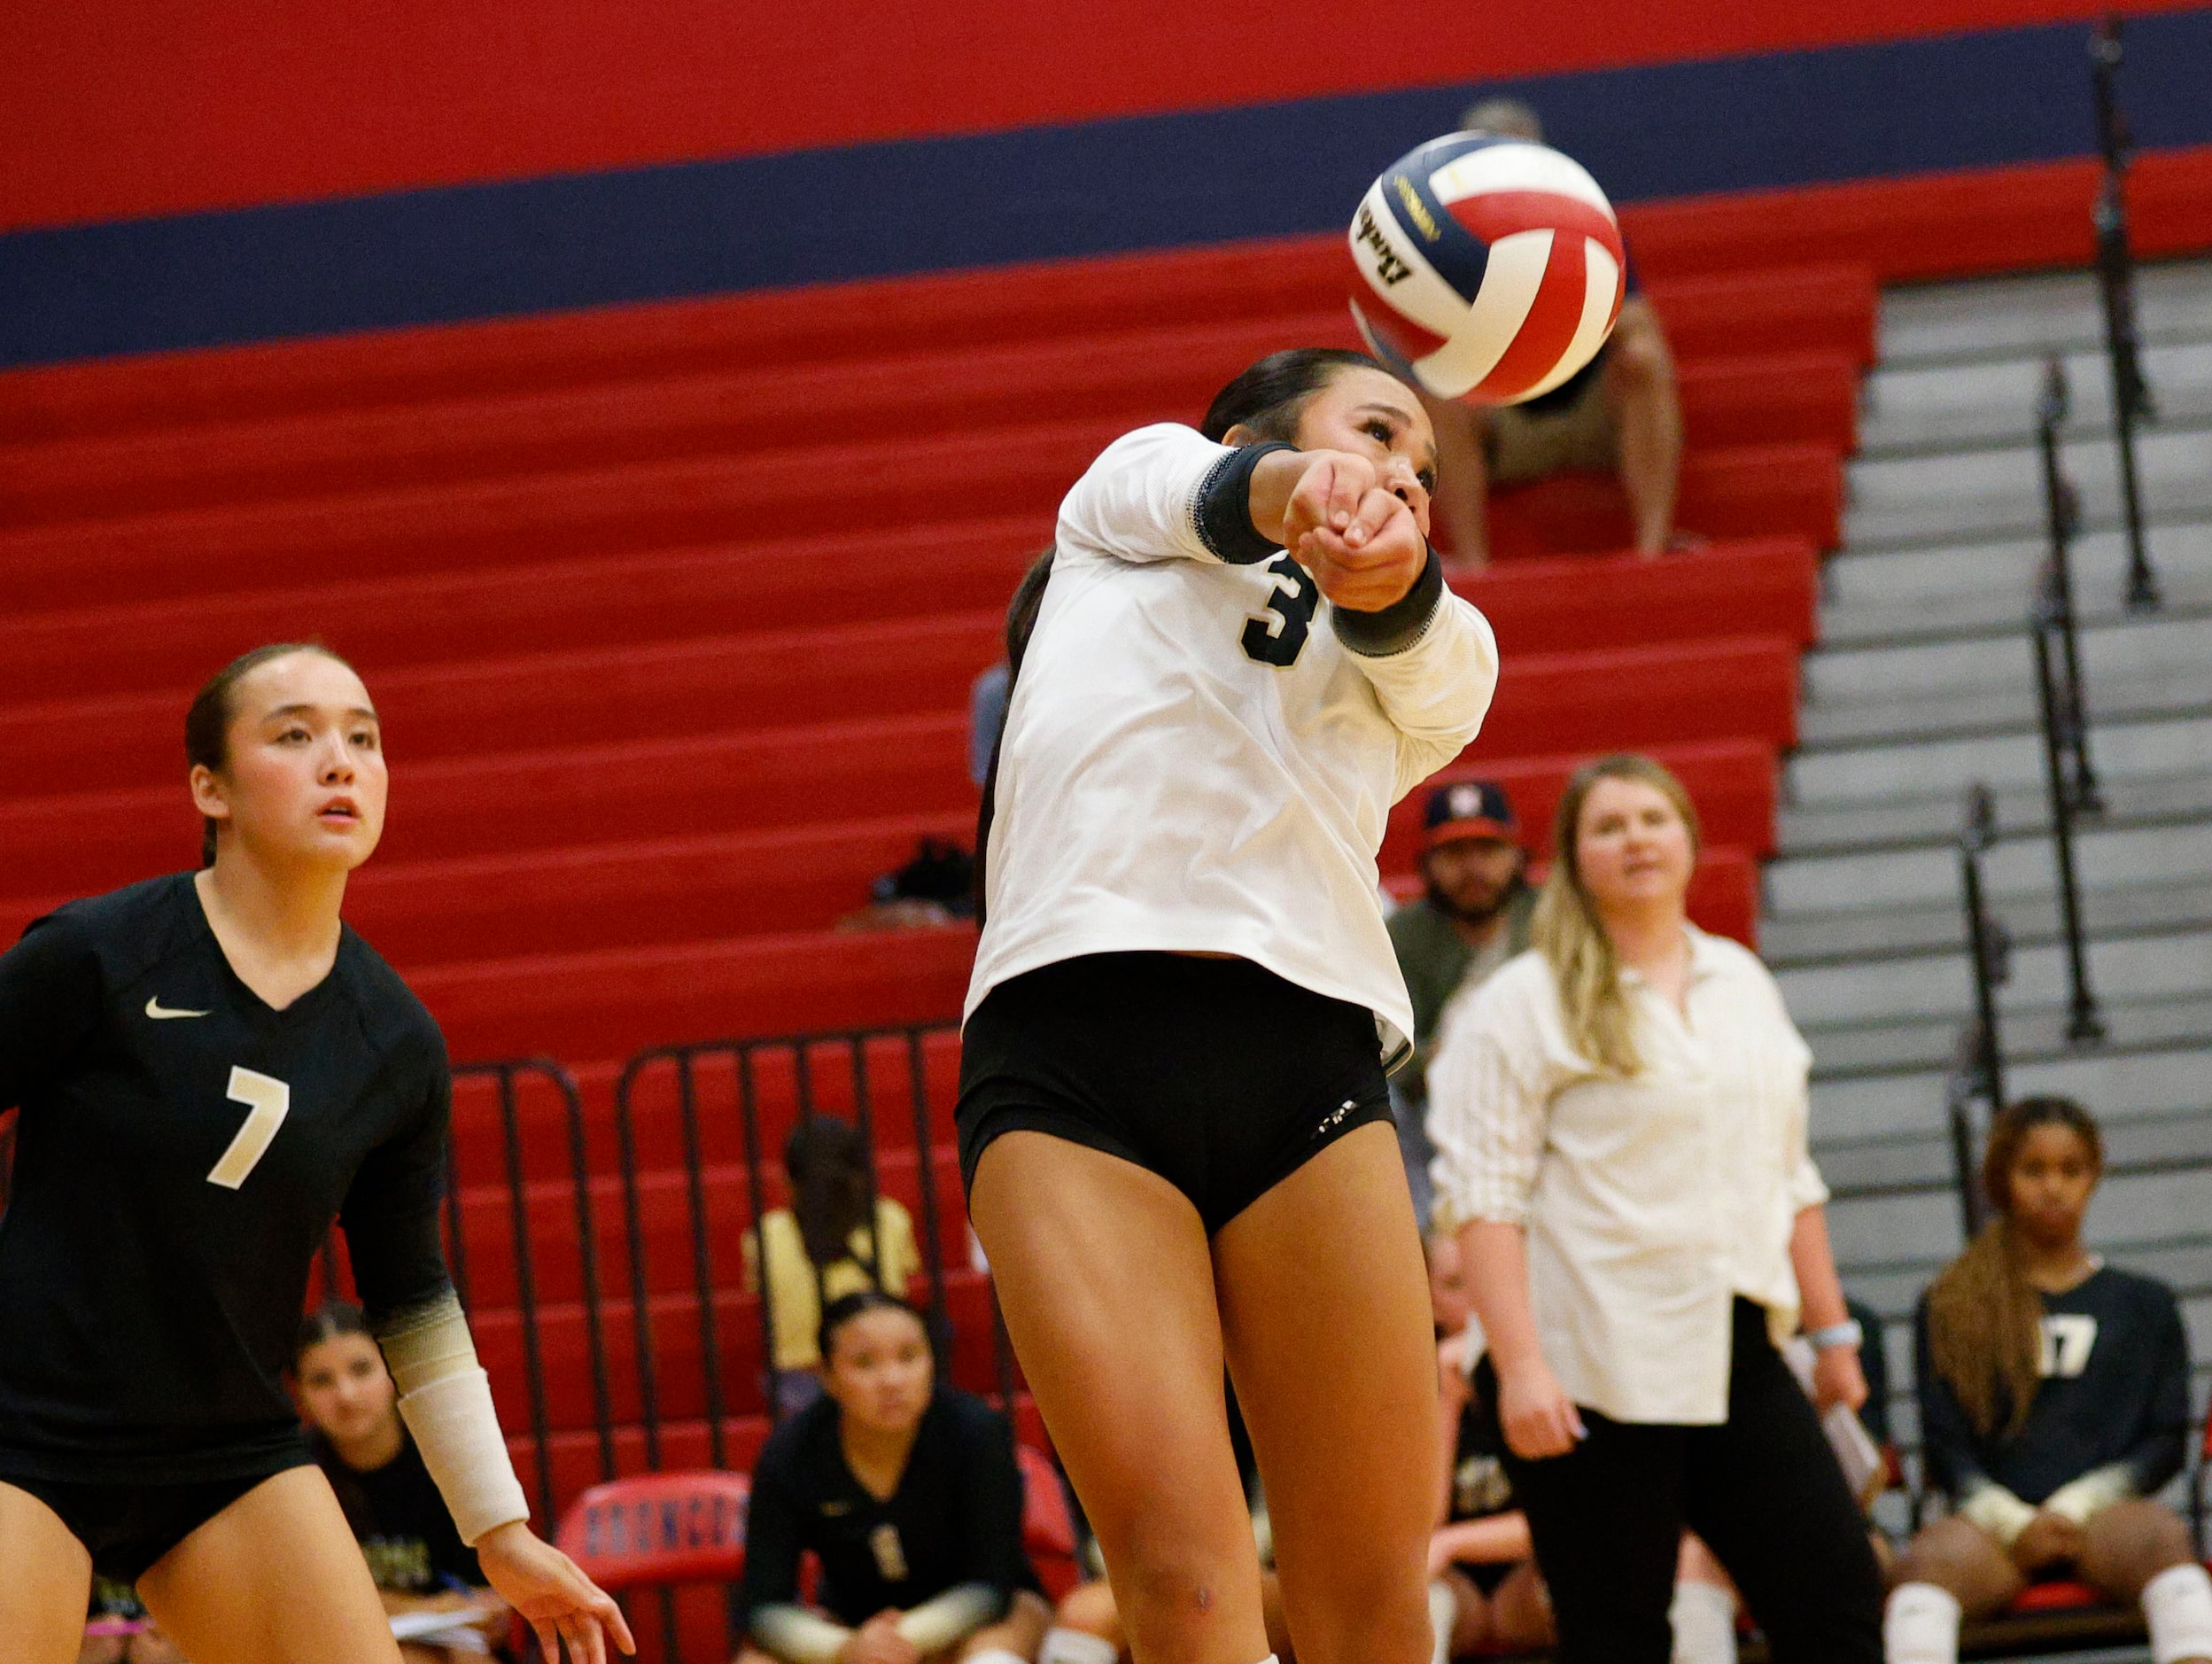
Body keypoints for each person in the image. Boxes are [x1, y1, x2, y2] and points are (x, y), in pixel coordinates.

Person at [959, 346, 1498, 1664]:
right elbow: (1209, 493)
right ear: (1263, 431)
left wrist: (1384, 562)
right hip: (1070, 1070)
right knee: (1186, 1591)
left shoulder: (1441, 648)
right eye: (1375, 430)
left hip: (1306, 1071)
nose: (1402, 474)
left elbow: (1422, 644)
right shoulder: (1120, 508)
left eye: (1425, 469)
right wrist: (1304, 494)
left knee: (1376, 1602)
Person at [0, 641, 630, 1664]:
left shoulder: (395, 1042)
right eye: (295, 735)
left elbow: (414, 1302)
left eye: (363, 738)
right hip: (19, 1431)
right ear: (210, 787)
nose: (341, 761)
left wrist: (499, 1532)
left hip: (223, 1456)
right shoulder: (97, 954)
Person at [1427, 752, 1884, 1664]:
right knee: (1615, 1637)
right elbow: (1482, 1198)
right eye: (1607, 825)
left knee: (1837, 1599)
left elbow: (1788, 1174)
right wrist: (1517, 1368)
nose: (1634, 838)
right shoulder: (1518, 1003)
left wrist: (1832, 1339)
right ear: (1569, 857)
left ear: (1689, 840)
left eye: (1652, 819)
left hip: (1737, 1348)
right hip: (1586, 1367)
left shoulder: (1741, 982)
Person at [1884, 1097, 2212, 1664]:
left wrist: (2076, 1507)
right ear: (1999, 1180)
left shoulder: (2145, 1304)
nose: (2053, 1188)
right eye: (2033, 1170)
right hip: (1993, 1529)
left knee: (2169, 1550)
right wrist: (2014, 1521)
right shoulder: (1950, 1303)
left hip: (2109, 1517)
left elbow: (2164, 1442)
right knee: (1920, 1579)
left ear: (2094, 1176)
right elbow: (1945, 1446)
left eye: (2071, 1169)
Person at [1422, 98, 1687, 569]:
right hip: (1501, 425)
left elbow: (1638, 323)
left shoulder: (1585, 221)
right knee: (1433, 390)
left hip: (1594, 412)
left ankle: (1653, 548)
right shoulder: (1438, 241)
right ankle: (1475, 566)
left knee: (1644, 359)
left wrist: (1539, 311)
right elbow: (1420, 348)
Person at [733, 1291, 1051, 1664]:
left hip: (981, 1616)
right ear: (827, 1377)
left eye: (909, 1357)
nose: (892, 1380)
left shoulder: (978, 1432)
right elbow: (762, 1606)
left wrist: (898, 1641)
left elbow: (991, 1584)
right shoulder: (789, 1454)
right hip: (851, 1629)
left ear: (932, 1362)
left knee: (994, 1651)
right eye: (865, 1363)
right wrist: (843, 1648)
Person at [293, 1302, 508, 1662]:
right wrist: (432, 1607)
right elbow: (301, 1609)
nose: (346, 1394)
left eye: (361, 1370)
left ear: (392, 1372)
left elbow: (490, 1610)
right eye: (321, 1380)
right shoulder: (294, 1474)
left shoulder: (446, 1457)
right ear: (299, 1393)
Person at [1386, 781, 1535, 1225]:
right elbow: (1392, 1047)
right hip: (1437, 1111)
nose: (1473, 868)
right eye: (1454, 854)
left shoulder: (1553, 922)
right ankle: (1424, 1238)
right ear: (1426, 864)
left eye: (1487, 849)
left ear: (1517, 855)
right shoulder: (1403, 937)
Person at [743, 1116, 924, 1416]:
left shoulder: (765, 1234)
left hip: (799, 1383)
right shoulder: (890, 1219)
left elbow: (762, 1306)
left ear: (788, 1182)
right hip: (885, 1377)